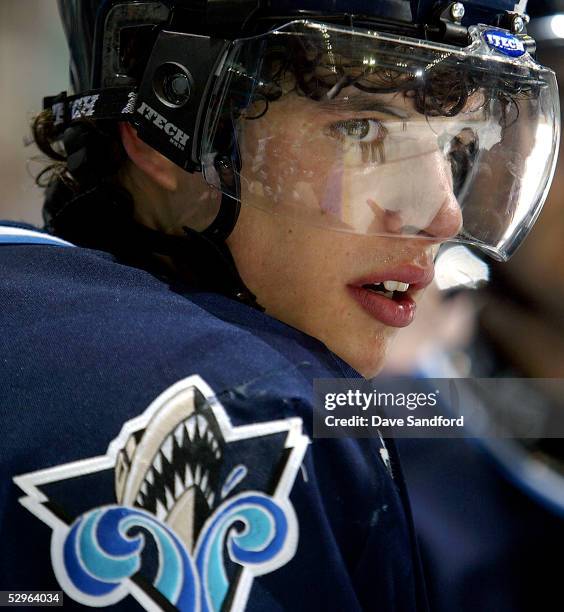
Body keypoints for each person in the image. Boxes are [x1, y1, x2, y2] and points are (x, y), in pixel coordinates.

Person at [0, 0, 559, 610]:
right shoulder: (256, 400)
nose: (442, 214)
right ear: (167, 138)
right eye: (363, 129)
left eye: (457, 144)